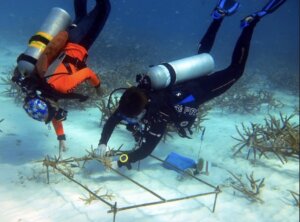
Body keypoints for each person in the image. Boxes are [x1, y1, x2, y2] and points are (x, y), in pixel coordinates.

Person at [96, 0, 287, 169]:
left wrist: (119, 159)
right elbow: (115, 118)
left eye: (131, 119)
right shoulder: (136, 95)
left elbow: (144, 152)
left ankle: (250, 25)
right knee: (201, 59)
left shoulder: (159, 114)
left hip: (203, 89)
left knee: (236, 71)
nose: (128, 121)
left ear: (143, 109)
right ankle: (217, 17)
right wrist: (103, 143)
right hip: (184, 81)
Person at [13, 0, 111, 153]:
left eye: (54, 111)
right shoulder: (39, 90)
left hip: (79, 42)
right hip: (71, 38)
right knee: (81, 15)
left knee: (104, 9)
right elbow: (52, 114)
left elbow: (87, 73)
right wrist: (61, 137)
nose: (57, 113)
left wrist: (98, 87)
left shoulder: (61, 87)